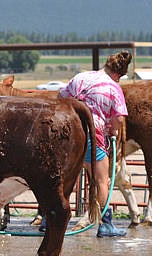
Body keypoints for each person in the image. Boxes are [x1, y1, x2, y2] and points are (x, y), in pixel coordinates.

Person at [58, 50, 132, 237]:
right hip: (93, 135)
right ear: (119, 74)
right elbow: (119, 120)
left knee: (63, 177)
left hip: (68, 135)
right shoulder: (114, 88)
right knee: (101, 180)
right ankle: (106, 223)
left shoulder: (80, 77)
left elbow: (60, 98)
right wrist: (113, 131)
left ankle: (48, 219)